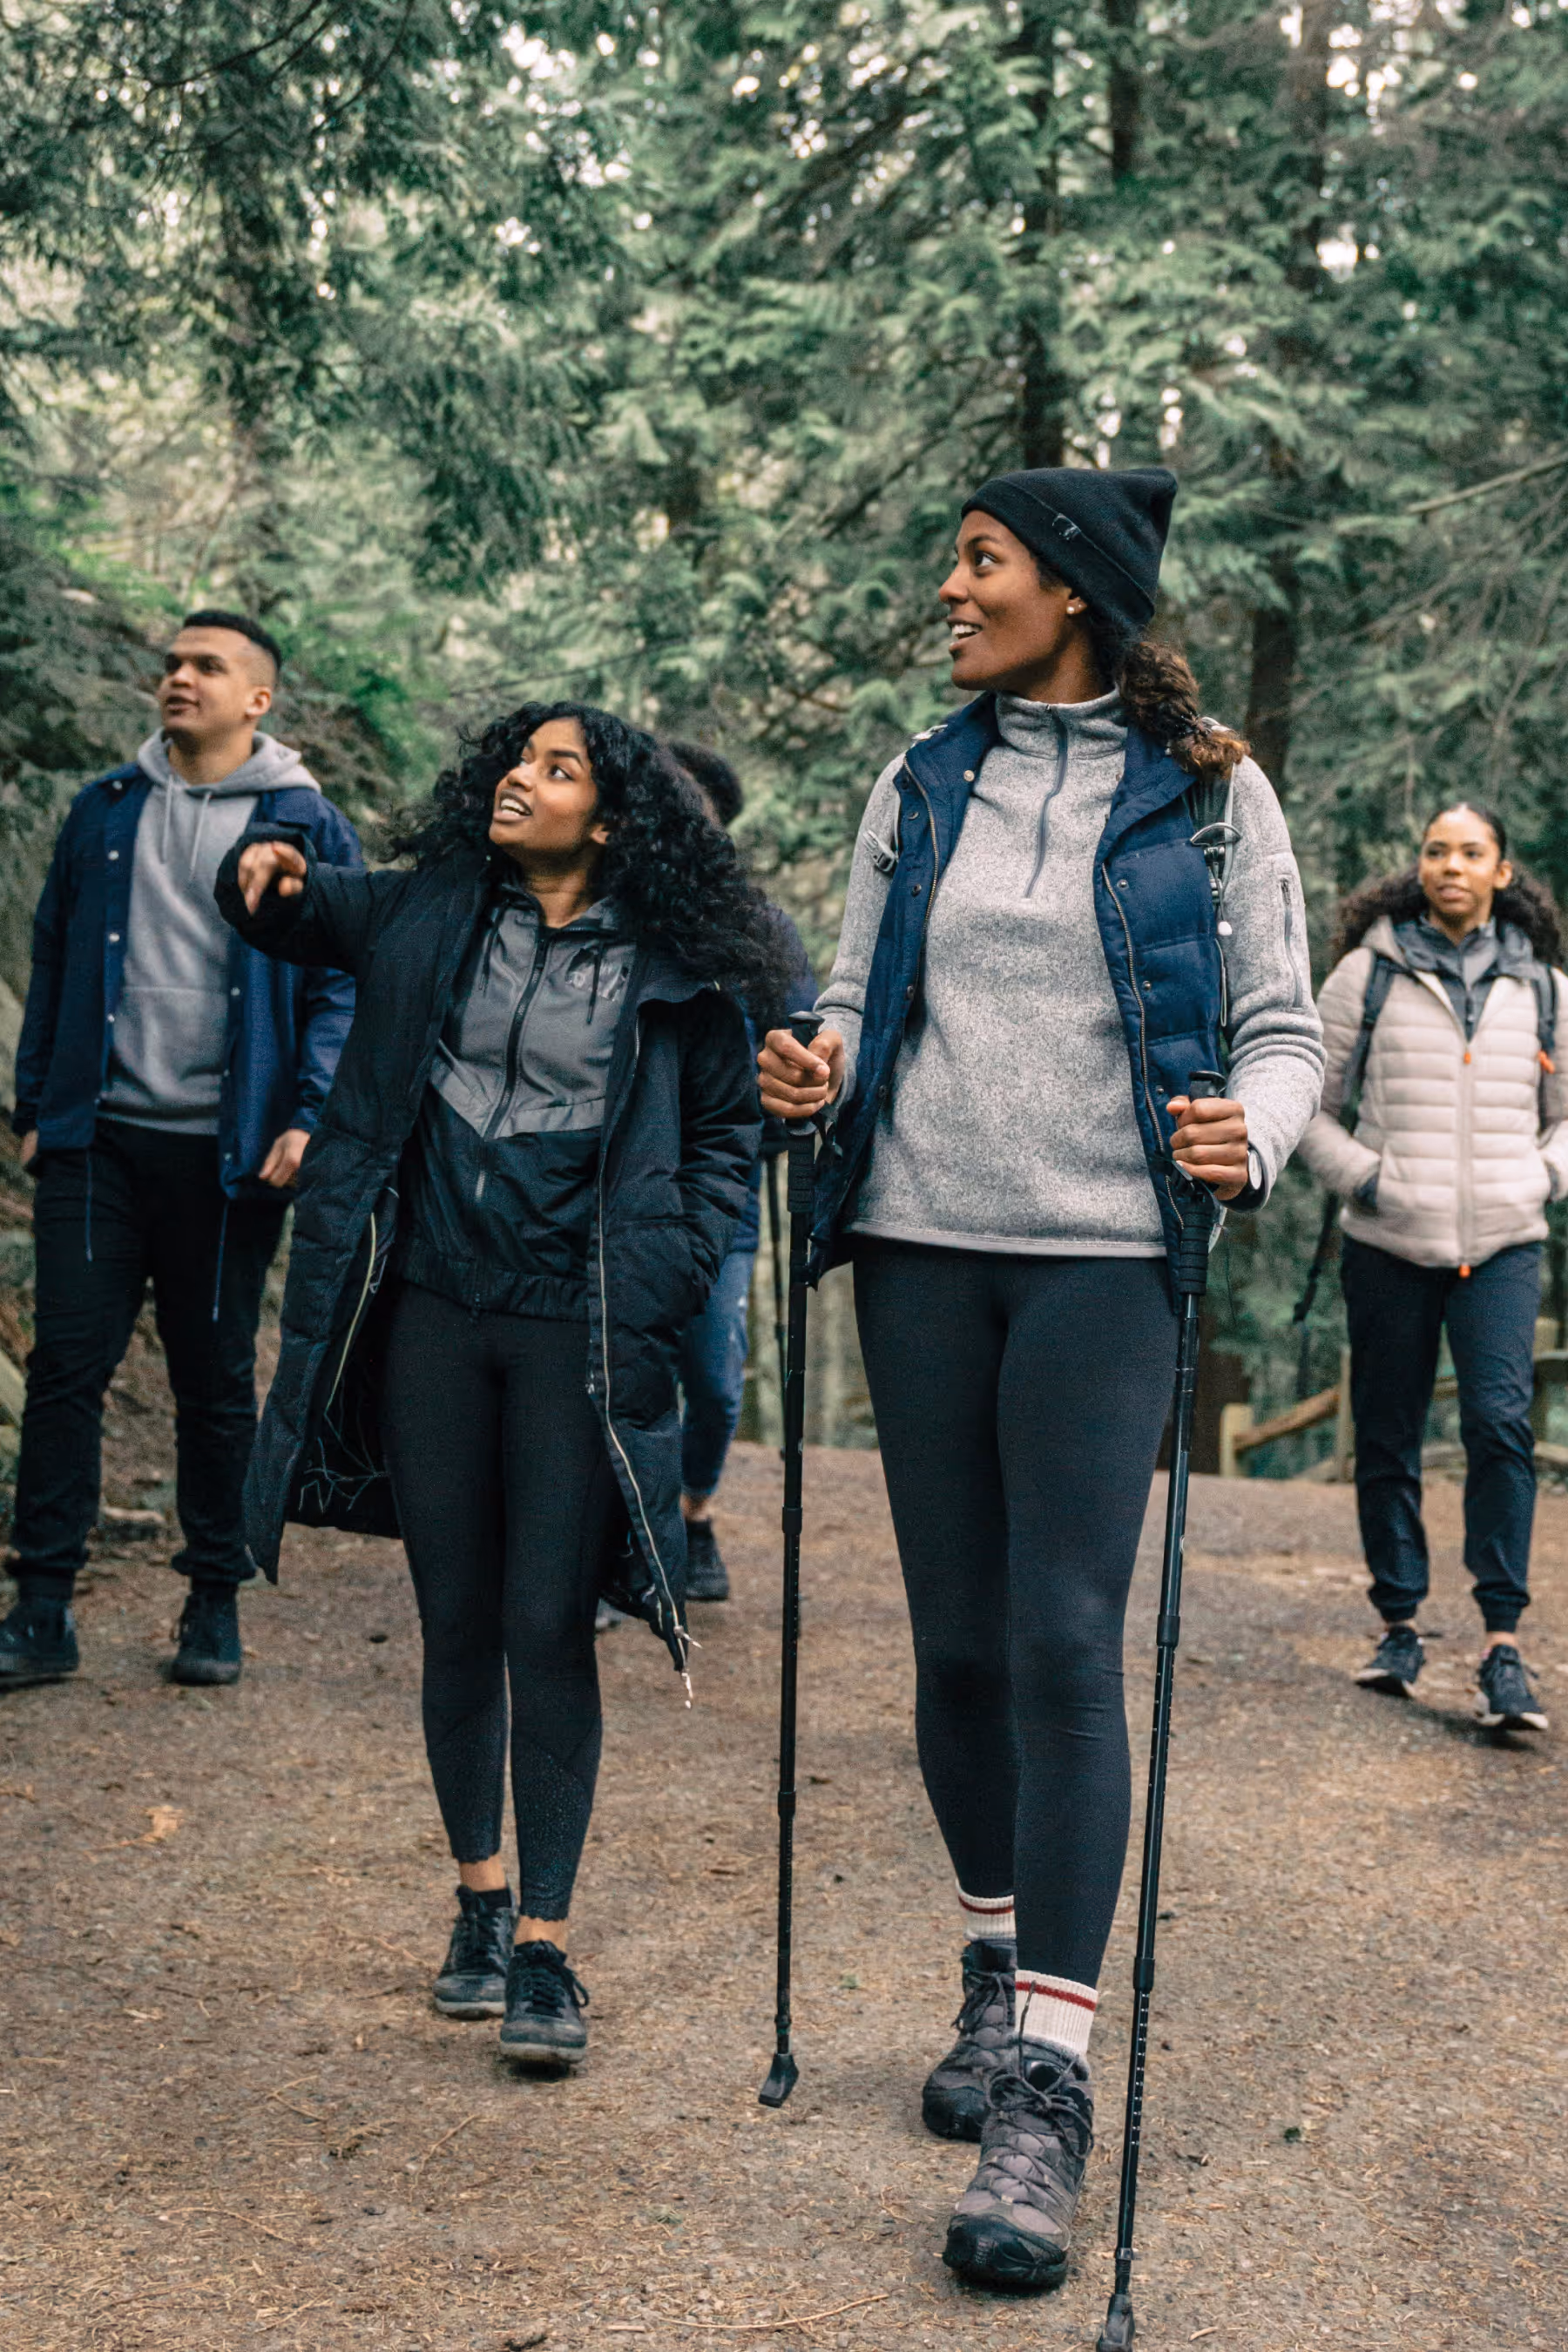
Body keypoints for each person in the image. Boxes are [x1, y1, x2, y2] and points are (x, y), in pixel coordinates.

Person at [758, 467, 1323, 2293]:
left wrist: (1267, 1130)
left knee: (1071, 1644)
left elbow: (1282, 1024)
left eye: (980, 558)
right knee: (961, 1649)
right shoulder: (923, 782)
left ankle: (1051, 2093)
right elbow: (858, 991)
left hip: (1104, 1259)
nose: (950, 582)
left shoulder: (1216, 795)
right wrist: (816, 1062)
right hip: (923, 1248)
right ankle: (994, 1964)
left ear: (1072, 588)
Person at [217, 701, 786, 2068]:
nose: (522, 782)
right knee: (458, 1617)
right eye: (517, 761)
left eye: (558, 768)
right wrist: (260, 876)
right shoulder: (429, 909)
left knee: (546, 1619)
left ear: (615, 814)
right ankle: (477, 1903)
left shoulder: (685, 964)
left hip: (572, 1327)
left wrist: (668, 1265)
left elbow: (725, 1137)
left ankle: (546, 1945)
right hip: (429, 1312)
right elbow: (297, 910)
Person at [2, 612, 359, 1693]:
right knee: (67, 1371)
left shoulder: (305, 820)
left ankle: (214, 1599)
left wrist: (310, 1112)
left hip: (231, 1154)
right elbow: (57, 955)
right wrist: (34, 1107)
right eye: (171, 664)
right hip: (97, 1142)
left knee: (212, 1383)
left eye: (207, 667)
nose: (178, 678)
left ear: (259, 699)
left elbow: (342, 975)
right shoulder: (108, 809)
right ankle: (41, 1609)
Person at [1299, 803, 1565, 1732]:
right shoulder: (1363, 976)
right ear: (1420, 868)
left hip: (1501, 1243)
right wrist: (1367, 1179)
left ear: (1500, 872)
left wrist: (1542, 1173)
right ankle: (1400, 1624)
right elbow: (1308, 1107)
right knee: (1388, 1432)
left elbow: (1567, 1116)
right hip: (1388, 1242)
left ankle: (1502, 1642)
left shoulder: (1546, 991)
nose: (1452, 865)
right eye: (1436, 851)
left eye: (1472, 852)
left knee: (1499, 1426)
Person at [666, 740, 814, 1603]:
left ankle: (693, 1510)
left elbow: (797, 1023)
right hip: (606, 1180)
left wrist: (798, 1093)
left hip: (722, 1182)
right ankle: (624, 1534)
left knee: (716, 1379)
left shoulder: (756, 926)